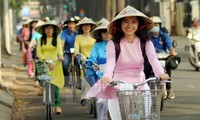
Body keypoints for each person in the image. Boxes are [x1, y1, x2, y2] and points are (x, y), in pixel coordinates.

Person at [86, 5, 169, 120]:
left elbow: (153, 59)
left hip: (140, 83)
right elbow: (110, 62)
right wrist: (106, 77)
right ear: (119, 24)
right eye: (125, 21)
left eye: (134, 22)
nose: (129, 25)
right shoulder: (113, 44)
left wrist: (161, 73)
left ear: (139, 24)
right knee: (118, 117)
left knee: (145, 115)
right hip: (119, 84)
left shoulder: (146, 42)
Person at [36, 20, 64, 114]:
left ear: (53, 29)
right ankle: (43, 88)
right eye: (46, 28)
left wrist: (60, 56)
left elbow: (60, 51)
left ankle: (57, 105)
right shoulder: (40, 40)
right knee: (45, 81)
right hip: (44, 63)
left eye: (50, 28)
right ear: (44, 30)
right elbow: (39, 53)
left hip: (55, 64)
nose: (48, 30)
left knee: (55, 86)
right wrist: (45, 59)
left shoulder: (57, 39)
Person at [85, 18, 111, 120]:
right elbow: (92, 58)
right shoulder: (97, 46)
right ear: (100, 34)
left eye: (108, 31)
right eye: (104, 32)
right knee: (102, 101)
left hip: (116, 74)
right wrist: (91, 63)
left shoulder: (118, 44)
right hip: (101, 75)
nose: (107, 34)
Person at [150, 16, 179, 99]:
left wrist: (173, 51)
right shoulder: (147, 36)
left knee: (168, 68)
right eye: (153, 25)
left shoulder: (164, 35)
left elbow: (169, 45)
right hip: (152, 59)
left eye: (156, 25)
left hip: (163, 57)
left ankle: (169, 89)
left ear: (160, 25)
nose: (155, 27)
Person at [74, 17, 96, 103]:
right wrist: (77, 54)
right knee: (85, 76)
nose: (86, 27)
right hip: (84, 60)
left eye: (88, 25)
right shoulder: (78, 37)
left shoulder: (94, 36)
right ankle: (84, 95)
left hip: (95, 60)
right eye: (84, 25)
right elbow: (76, 49)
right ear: (81, 27)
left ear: (91, 26)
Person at [60, 17, 79, 86]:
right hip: (67, 53)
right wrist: (61, 53)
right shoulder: (64, 33)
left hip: (77, 53)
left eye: (73, 24)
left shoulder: (79, 33)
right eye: (69, 24)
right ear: (67, 25)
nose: (71, 26)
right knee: (64, 65)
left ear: (75, 25)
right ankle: (67, 80)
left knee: (79, 64)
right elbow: (62, 43)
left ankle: (79, 81)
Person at [28, 20, 44, 88]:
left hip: (48, 53)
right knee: (38, 67)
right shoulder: (36, 34)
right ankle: (38, 82)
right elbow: (32, 42)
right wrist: (30, 45)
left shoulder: (49, 34)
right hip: (39, 52)